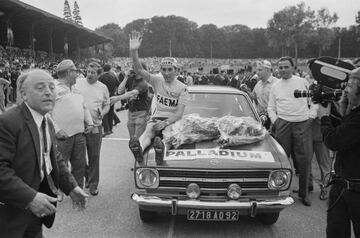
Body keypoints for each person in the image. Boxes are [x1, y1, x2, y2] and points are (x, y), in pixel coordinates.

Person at [0, 69, 88, 238]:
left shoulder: (46, 121)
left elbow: (54, 158)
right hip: (12, 214)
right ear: (24, 95)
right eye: (40, 88)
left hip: (35, 213)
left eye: (51, 87)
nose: (48, 92)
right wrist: (30, 198)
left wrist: (72, 187)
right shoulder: (8, 122)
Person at [128, 31, 189, 165]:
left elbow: (179, 113)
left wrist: (166, 122)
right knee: (148, 132)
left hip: (172, 120)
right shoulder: (156, 80)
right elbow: (139, 70)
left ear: (176, 71)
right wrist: (134, 52)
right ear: (160, 70)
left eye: (170, 69)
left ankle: (161, 153)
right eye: (164, 69)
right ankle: (139, 151)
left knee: (169, 134)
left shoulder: (182, 88)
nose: (166, 73)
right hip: (157, 117)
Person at [267, 56, 317, 206]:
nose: (283, 70)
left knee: (304, 159)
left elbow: (313, 101)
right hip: (283, 124)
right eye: (280, 67)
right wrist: (276, 120)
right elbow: (271, 107)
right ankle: (283, 191)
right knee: (282, 159)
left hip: (302, 123)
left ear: (293, 68)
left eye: (286, 67)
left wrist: (311, 117)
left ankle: (304, 193)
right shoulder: (275, 86)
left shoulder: (302, 82)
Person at [319, 67, 360, 238]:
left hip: (356, 191)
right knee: (335, 232)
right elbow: (344, 126)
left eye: (350, 85)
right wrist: (336, 107)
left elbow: (334, 141)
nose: (345, 89)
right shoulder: (354, 112)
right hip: (342, 185)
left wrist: (324, 117)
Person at [51, 59, 94, 190]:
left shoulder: (76, 88)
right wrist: (56, 129)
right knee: (60, 165)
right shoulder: (53, 88)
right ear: (69, 72)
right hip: (62, 136)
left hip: (79, 133)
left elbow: (84, 106)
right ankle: (59, 190)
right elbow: (46, 112)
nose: (77, 74)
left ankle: (77, 189)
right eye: (75, 72)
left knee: (80, 164)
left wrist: (90, 122)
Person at [74, 62, 110, 196]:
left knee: (94, 156)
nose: (89, 74)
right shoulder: (77, 83)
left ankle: (93, 184)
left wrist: (103, 111)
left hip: (95, 126)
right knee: (79, 157)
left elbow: (107, 105)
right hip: (79, 125)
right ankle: (88, 175)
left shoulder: (103, 87)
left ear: (99, 74)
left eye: (93, 72)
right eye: (88, 71)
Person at [252, 60, 279, 129]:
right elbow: (255, 101)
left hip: (274, 119)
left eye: (260, 70)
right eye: (257, 70)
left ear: (267, 70)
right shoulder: (257, 85)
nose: (257, 73)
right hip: (260, 119)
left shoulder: (277, 83)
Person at [99, 64, 120, 137]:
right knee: (111, 112)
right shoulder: (113, 76)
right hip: (112, 95)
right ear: (109, 69)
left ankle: (106, 130)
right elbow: (118, 84)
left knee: (104, 112)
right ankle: (110, 129)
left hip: (104, 96)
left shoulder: (101, 77)